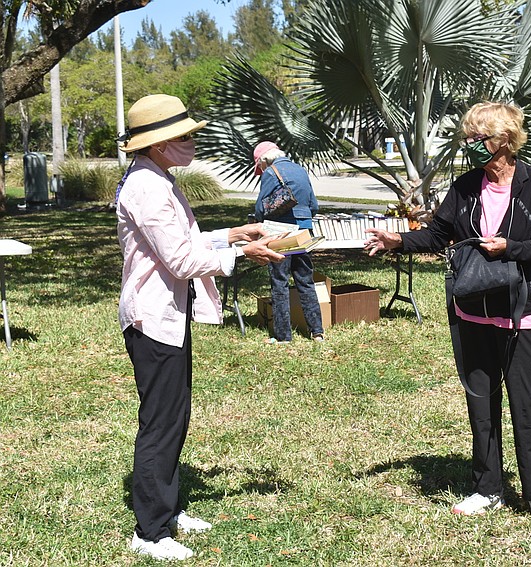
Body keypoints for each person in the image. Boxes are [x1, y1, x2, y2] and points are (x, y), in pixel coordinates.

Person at [364, 102, 531, 526]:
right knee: (481, 403)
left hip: (523, 315)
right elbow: (440, 234)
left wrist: (510, 249)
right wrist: (397, 240)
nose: (472, 146)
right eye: (469, 139)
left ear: (506, 141)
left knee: (528, 404)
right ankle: (487, 488)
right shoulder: (463, 187)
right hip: (473, 312)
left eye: (480, 139)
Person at [116, 94, 283, 561]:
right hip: (153, 319)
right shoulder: (147, 187)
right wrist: (243, 254)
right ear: (159, 143)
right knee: (160, 423)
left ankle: (166, 512)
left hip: (168, 316)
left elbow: (180, 239)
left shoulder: (157, 178)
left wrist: (232, 235)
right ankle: (149, 532)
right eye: (185, 136)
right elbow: (181, 258)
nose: (192, 142)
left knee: (174, 416)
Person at [252, 141, 324, 343]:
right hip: (304, 230)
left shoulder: (270, 172)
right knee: (305, 280)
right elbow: (314, 205)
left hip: (281, 232)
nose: (262, 170)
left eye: (261, 166)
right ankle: (317, 332)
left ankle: (283, 336)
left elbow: (260, 209)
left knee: (280, 282)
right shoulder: (300, 169)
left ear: (264, 160)